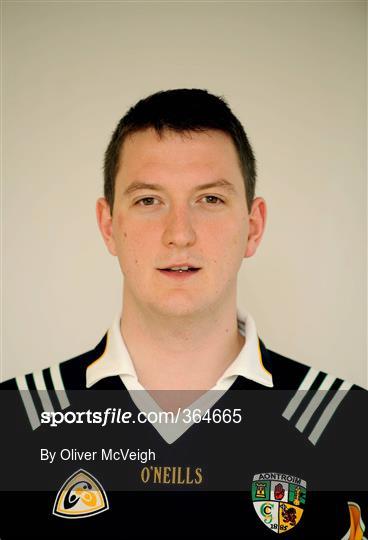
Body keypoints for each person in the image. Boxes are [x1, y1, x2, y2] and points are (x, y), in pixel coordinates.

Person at [0, 89, 366, 539]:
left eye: (209, 199)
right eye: (148, 200)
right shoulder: (13, 424)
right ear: (108, 225)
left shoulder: (349, 429)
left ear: (253, 227)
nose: (180, 234)